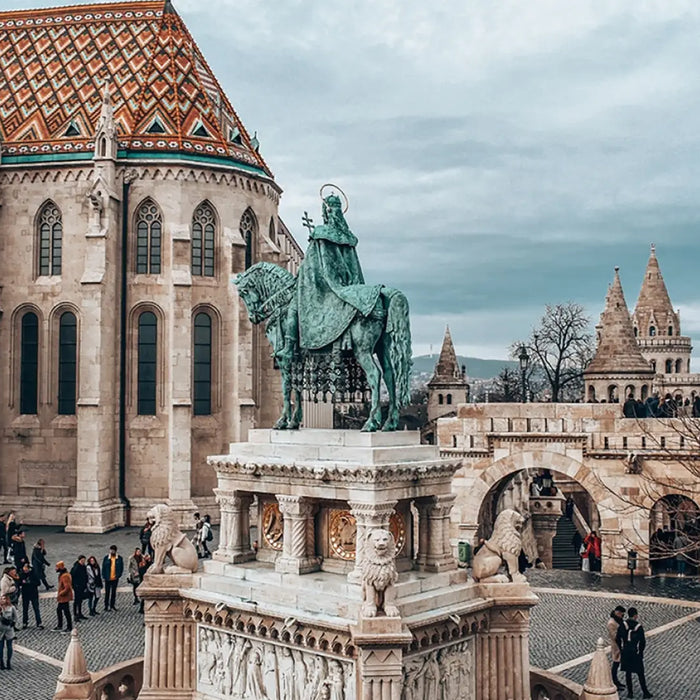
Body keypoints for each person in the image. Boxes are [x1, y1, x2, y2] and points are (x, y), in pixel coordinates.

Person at [617, 607, 652, 699]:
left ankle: (630, 693)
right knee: (640, 672)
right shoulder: (638, 626)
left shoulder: (623, 625)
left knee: (628, 672)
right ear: (635, 615)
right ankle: (645, 692)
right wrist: (640, 652)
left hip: (626, 651)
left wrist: (621, 648)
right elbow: (642, 641)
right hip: (634, 651)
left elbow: (617, 638)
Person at [607, 605, 626, 691]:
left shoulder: (617, 620)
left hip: (619, 644)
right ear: (617, 613)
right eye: (621, 614)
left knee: (617, 663)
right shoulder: (612, 623)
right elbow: (615, 636)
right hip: (616, 646)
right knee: (616, 663)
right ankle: (614, 681)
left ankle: (616, 681)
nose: (622, 616)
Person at [19, 561, 42, 629]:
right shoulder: (21, 574)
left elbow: (38, 583)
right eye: (24, 568)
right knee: (25, 609)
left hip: (33, 593)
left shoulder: (33, 574)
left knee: (36, 608)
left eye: (26, 568)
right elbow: (19, 583)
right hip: (25, 594)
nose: (25, 570)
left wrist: (30, 582)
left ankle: (39, 622)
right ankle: (25, 622)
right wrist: (22, 583)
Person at [101, 545, 123, 612]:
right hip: (108, 578)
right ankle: (106, 606)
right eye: (111, 550)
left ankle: (112, 605)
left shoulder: (119, 558)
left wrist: (118, 575)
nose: (112, 551)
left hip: (115, 578)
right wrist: (104, 576)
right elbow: (103, 567)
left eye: (113, 550)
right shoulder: (106, 558)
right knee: (107, 593)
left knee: (113, 593)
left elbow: (121, 567)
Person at [54, 561, 73, 633]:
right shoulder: (63, 575)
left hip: (64, 597)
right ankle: (61, 625)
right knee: (60, 610)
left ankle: (68, 627)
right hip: (63, 597)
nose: (56, 569)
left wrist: (61, 593)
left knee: (65, 611)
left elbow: (67, 587)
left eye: (57, 567)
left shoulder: (64, 576)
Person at [0, 595, 17, 670]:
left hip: (9, 630)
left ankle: (8, 662)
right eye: (1, 599)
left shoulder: (11, 607)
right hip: (0, 630)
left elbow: (15, 617)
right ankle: (1, 663)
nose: (2, 600)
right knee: (0, 648)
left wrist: (12, 624)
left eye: (4, 599)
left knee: (9, 647)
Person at [70, 555, 89, 621]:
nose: (83, 562)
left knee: (80, 600)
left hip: (82, 586)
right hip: (77, 586)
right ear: (79, 560)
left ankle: (80, 613)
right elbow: (72, 577)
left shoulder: (83, 567)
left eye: (84, 560)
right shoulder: (76, 568)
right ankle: (75, 615)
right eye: (82, 561)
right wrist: (74, 585)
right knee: (76, 601)